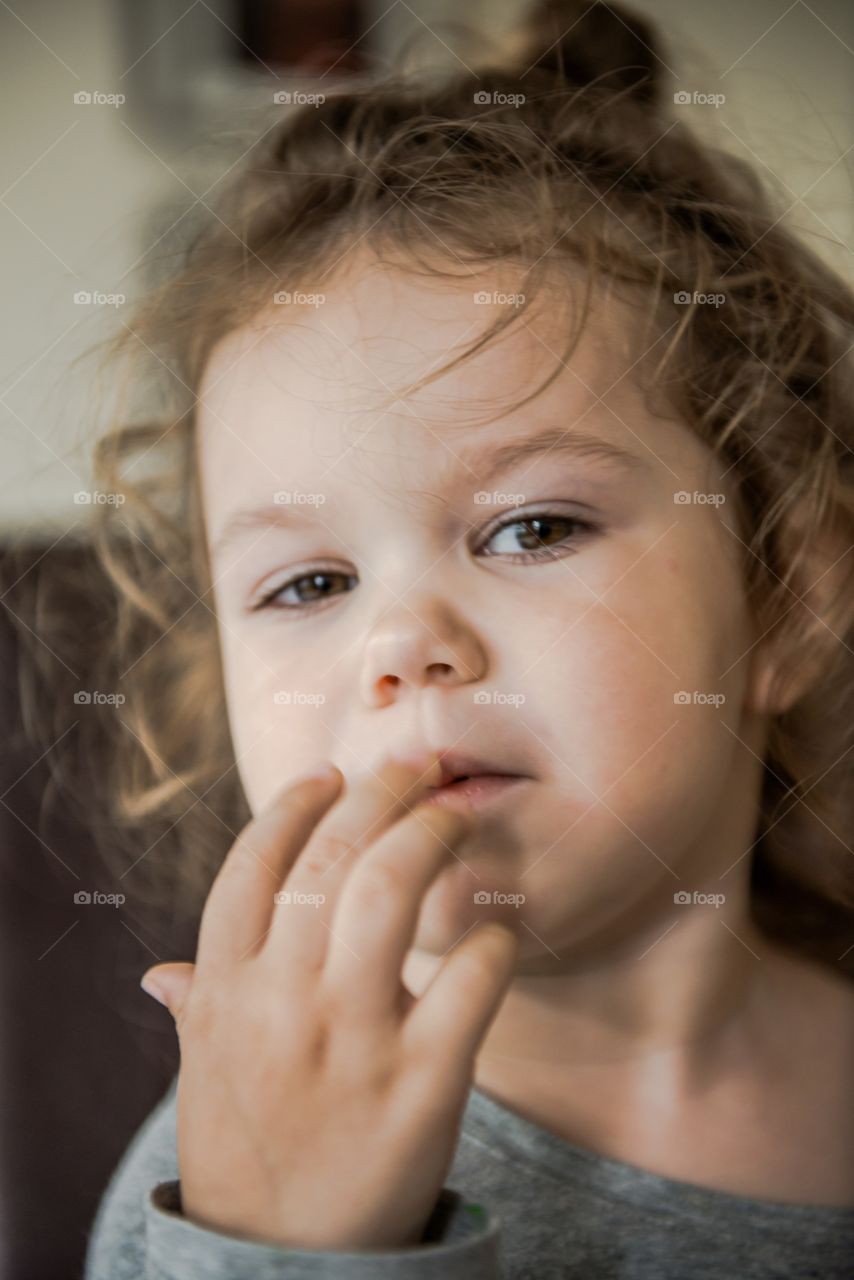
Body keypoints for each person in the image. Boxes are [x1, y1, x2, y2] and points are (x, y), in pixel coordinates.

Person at [72, 0, 854, 1275]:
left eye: (530, 527)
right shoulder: (219, 1174)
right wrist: (286, 1245)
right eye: (308, 583)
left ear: (786, 602)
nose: (402, 643)